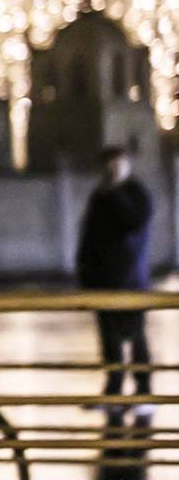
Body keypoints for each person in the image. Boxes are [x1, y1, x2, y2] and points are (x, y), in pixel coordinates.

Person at [77, 144, 155, 412]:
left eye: (117, 162)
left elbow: (134, 222)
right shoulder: (99, 197)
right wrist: (84, 272)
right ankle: (114, 391)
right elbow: (88, 236)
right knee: (110, 340)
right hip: (103, 281)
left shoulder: (135, 193)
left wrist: (117, 192)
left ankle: (144, 393)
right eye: (108, 163)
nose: (112, 168)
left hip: (131, 281)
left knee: (135, 336)